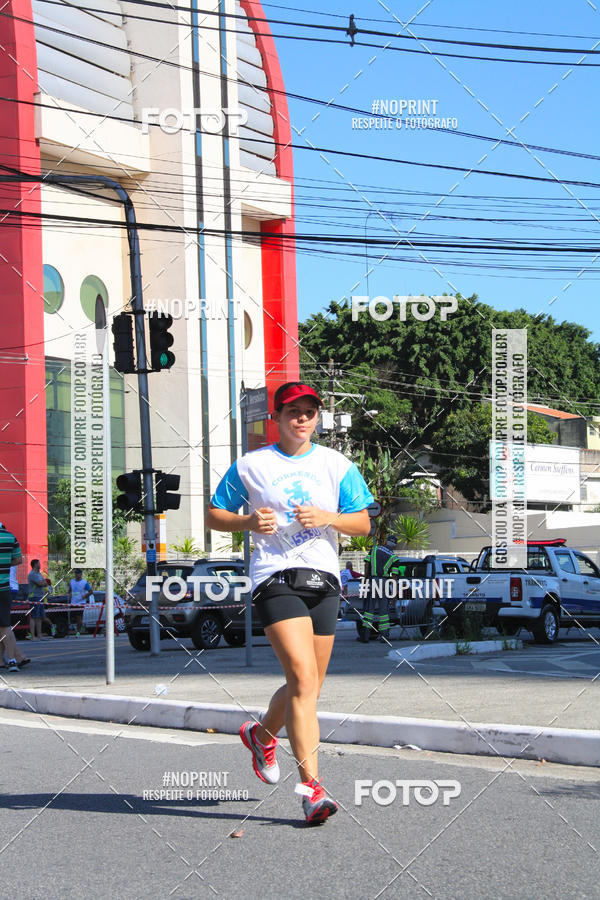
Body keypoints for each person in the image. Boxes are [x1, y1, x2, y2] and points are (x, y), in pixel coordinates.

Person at [206, 381, 373, 825]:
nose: (302, 418)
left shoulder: (336, 464)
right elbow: (214, 514)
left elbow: (362, 524)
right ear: (276, 418)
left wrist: (329, 517)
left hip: (324, 578)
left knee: (309, 686)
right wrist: (247, 521)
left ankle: (261, 736)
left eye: (309, 412)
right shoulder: (252, 465)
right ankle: (312, 790)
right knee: (301, 676)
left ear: (317, 417)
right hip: (274, 576)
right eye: (293, 411)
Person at [361, 534, 402, 642]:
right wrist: (394, 594)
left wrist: (366, 578)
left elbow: (367, 564)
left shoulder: (374, 549)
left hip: (373, 581)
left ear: (385, 542)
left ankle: (365, 636)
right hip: (384, 583)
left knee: (369, 609)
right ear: (394, 546)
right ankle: (384, 636)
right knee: (384, 611)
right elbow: (394, 577)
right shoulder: (394, 558)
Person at [0, 522, 30, 669]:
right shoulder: (10, 537)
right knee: (3, 625)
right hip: (5, 588)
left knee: (3, 626)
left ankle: (14, 658)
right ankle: (15, 658)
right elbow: (19, 560)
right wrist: (4, 564)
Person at [28, 559, 52, 640]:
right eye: (38, 563)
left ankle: (40, 636)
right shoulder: (32, 574)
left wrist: (43, 583)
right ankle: (33, 636)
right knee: (33, 617)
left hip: (40, 597)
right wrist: (43, 583)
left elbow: (45, 583)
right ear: (35, 564)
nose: (40, 565)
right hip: (34, 597)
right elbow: (40, 583)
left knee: (39, 617)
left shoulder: (39, 574)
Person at [68, 570, 93, 635]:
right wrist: (69, 594)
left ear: (81, 574)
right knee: (72, 617)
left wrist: (85, 596)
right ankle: (76, 628)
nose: (77, 575)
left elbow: (91, 591)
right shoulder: (72, 581)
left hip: (81, 603)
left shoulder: (84, 583)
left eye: (78, 573)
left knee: (79, 617)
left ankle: (78, 631)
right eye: (76, 573)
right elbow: (69, 590)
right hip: (73, 602)